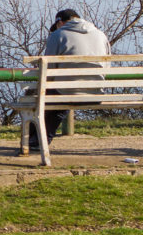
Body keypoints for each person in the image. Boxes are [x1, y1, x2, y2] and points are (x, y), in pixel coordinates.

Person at [29, 8, 111, 149]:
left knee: (42, 96)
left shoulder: (58, 35)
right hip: (96, 93)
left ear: (60, 23)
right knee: (58, 98)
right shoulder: (100, 35)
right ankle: (39, 139)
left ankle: (37, 139)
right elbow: (106, 68)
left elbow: (48, 69)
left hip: (66, 93)